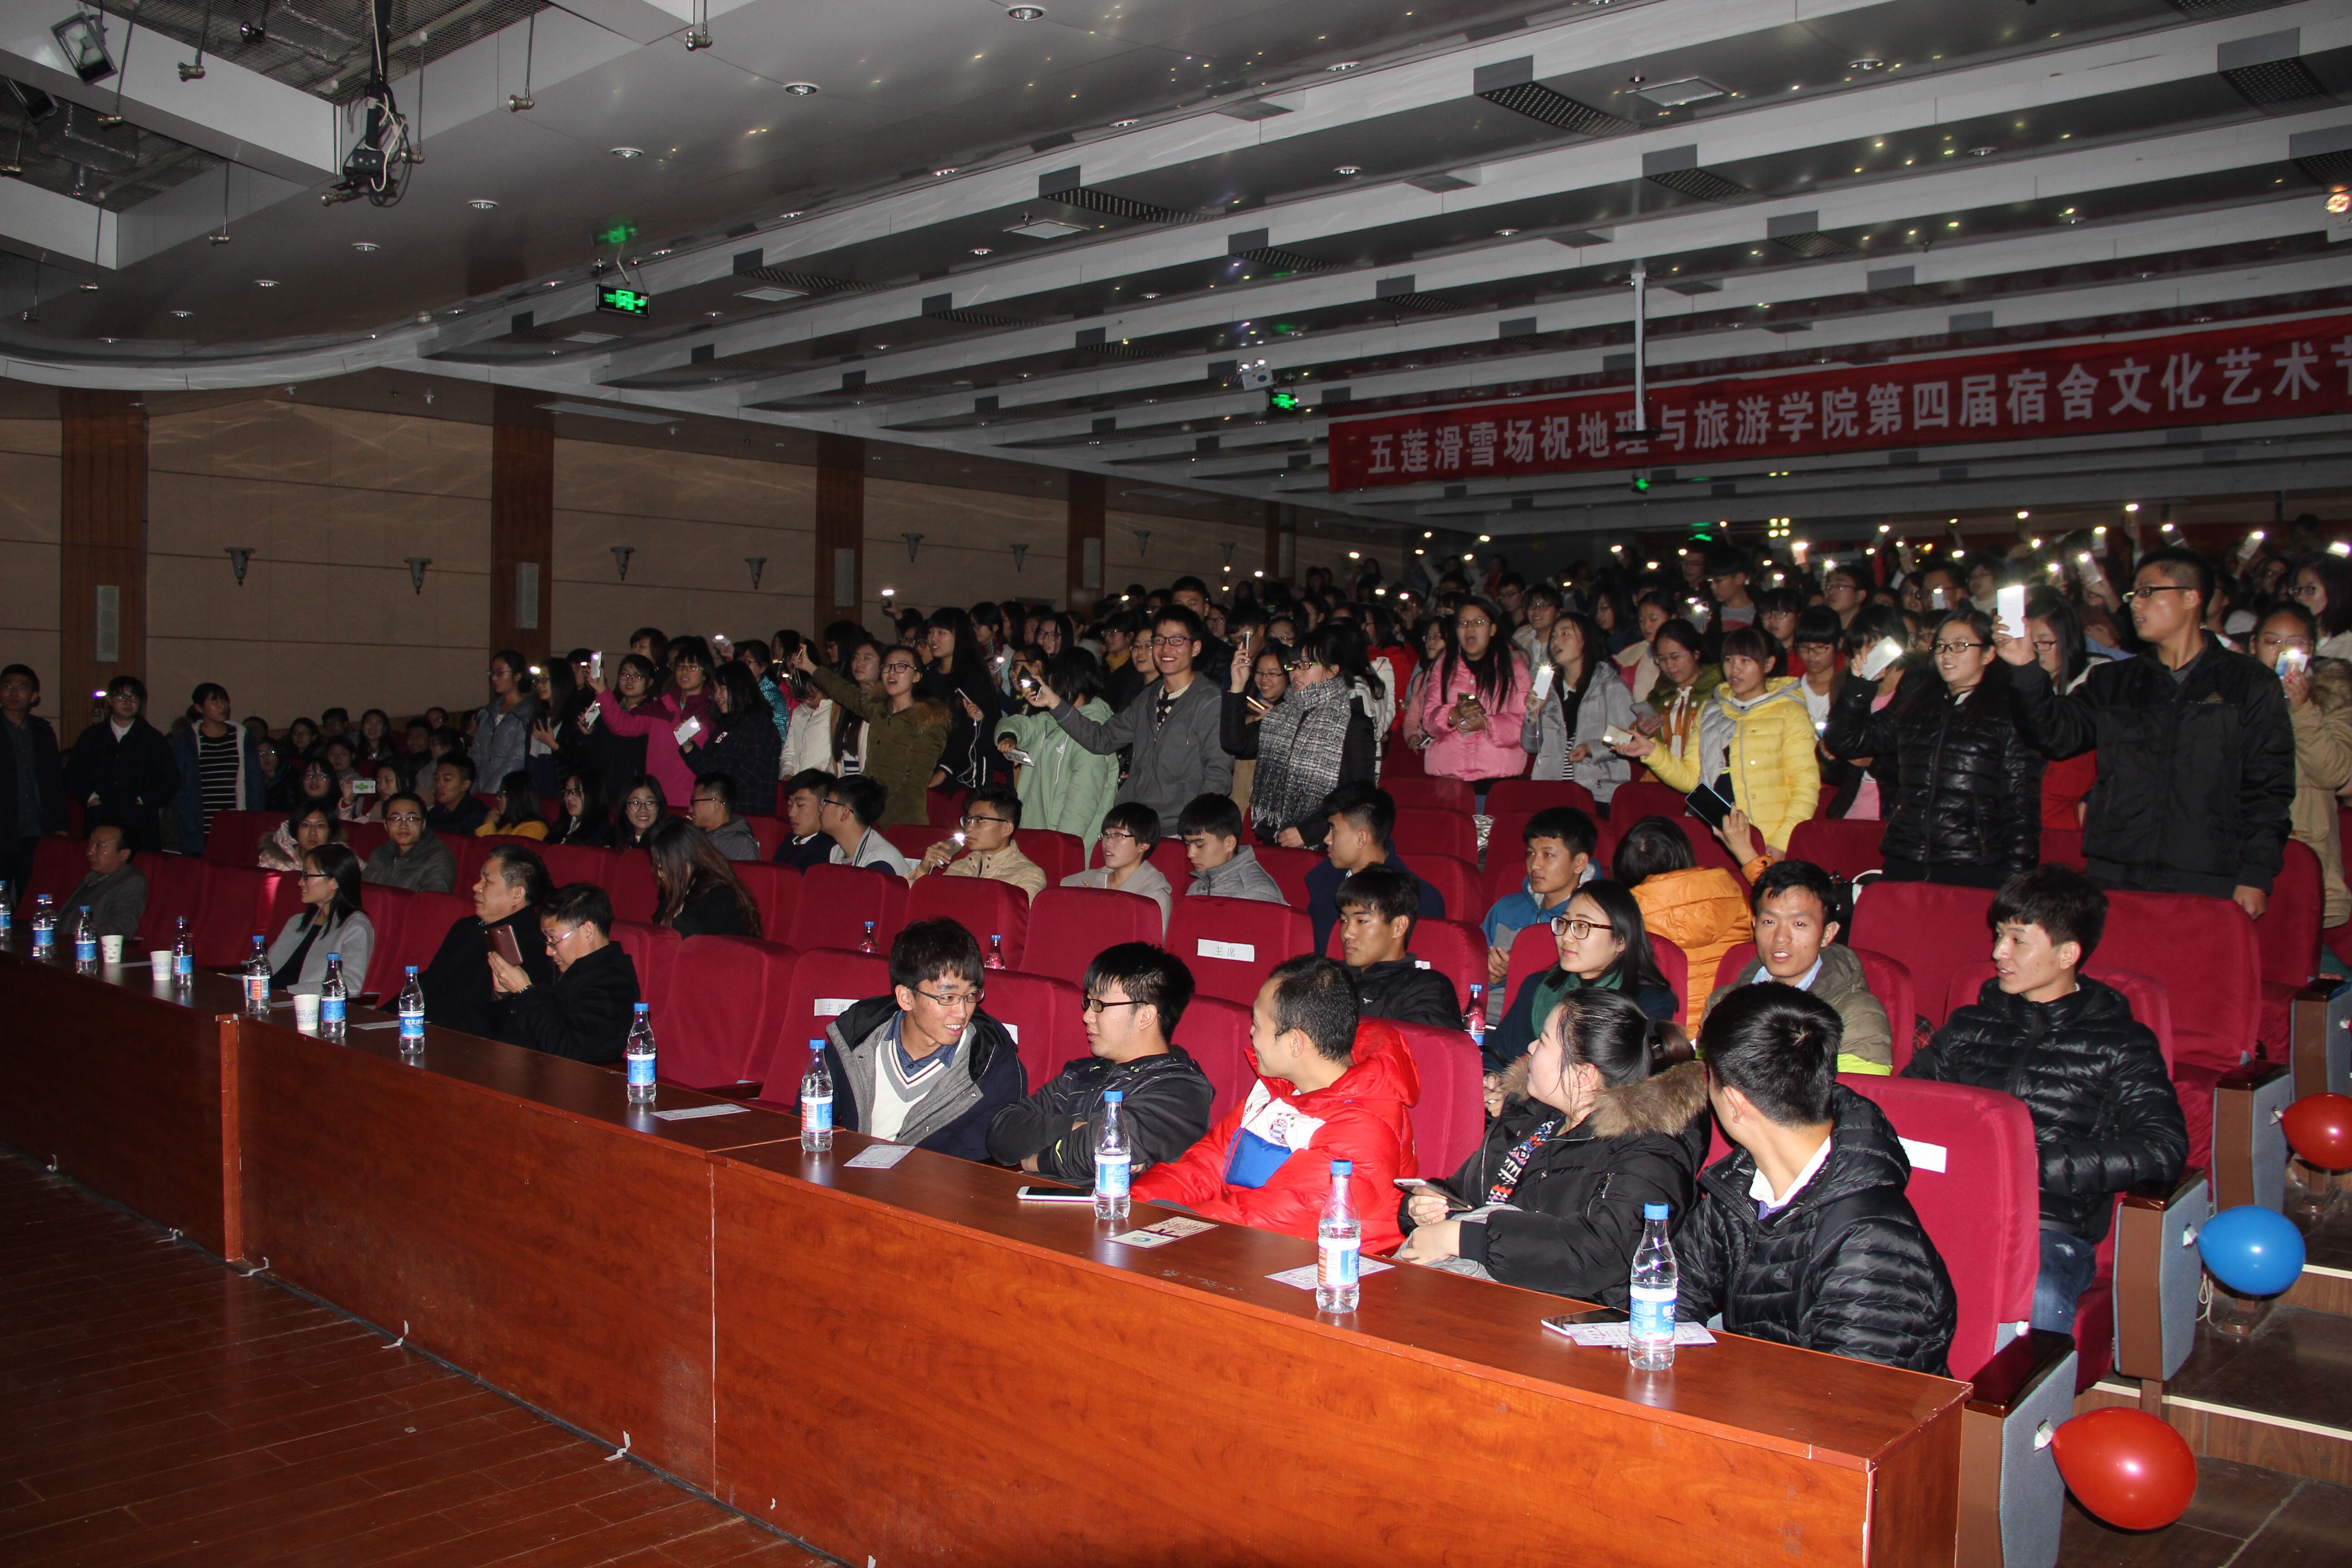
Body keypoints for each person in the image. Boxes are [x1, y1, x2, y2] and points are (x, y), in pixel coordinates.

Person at [1905, 866, 2187, 1332]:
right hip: (1951, 1211)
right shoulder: (1969, 1027)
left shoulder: (2122, 1042)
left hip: (2047, 1228)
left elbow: (2162, 1149)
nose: (1998, 952)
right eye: (1999, 936)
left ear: (2067, 954)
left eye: (2018, 940)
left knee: (2037, 1295)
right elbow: (1908, 1110)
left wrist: (2033, 1165)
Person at [1997, 546, 2294, 918]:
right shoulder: (2114, 680)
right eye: (2133, 594)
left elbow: (2268, 785)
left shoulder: (2247, 682)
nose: (2135, 603)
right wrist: (2026, 668)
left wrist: (2256, 874)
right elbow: (2055, 735)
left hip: (2208, 872)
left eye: (2148, 592)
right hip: (2117, 869)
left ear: (2191, 598)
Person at [1672, 985, 1957, 1374]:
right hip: (1757, 1391)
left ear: (1736, 1104)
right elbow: (1670, 1300)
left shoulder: (1871, 1246)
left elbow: (1847, 1399)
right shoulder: (1742, 1184)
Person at [1395, 990, 1707, 1295]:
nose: (1530, 1048)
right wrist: (1427, 1206)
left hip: (1570, 1311)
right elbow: (1465, 1196)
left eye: (1543, 1041)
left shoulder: (1652, 1153)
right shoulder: (1535, 1118)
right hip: (1488, 1291)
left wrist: (1464, 1239)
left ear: (1583, 1075)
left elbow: (1601, 1254)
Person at [1132, 956, 1421, 1252]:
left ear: (1295, 1043)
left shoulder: (1364, 1129)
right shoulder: (1279, 1087)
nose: (1251, 1033)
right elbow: (1202, 1168)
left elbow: (1269, 1219)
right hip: (1234, 1246)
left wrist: (1169, 1226)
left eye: (1258, 1024)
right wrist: (1132, 1206)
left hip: (1317, 1265)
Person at [1826, 608, 2041, 887]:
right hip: (1906, 856)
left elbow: (2021, 808)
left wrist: (2015, 881)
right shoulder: (1917, 706)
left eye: (1960, 646)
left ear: (1988, 654)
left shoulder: (2007, 713)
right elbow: (1846, 740)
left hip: (1971, 863)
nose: (1947, 655)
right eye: (1940, 646)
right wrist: (1860, 685)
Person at [986, 941, 1215, 1181]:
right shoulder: (1081, 1073)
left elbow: (1108, 1143)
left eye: (1099, 1005)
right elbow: (1001, 1132)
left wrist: (1033, 1162)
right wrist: (1077, 1127)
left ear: (1145, 1017)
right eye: (1088, 1003)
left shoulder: (1182, 1089)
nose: (1087, 1016)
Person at [814, 918, 1028, 1160]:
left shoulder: (994, 1071)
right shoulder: (855, 1040)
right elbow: (806, 1126)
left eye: (970, 996)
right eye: (947, 998)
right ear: (906, 998)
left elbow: (970, 1170)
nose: (962, 1012)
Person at [1614, 626, 1819, 853]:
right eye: (1729, 660)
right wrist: (1651, 751)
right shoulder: (1711, 710)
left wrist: (1782, 841)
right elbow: (1691, 779)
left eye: (1745, 661)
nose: (1735, 669)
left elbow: (1805, 788)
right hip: (1712, 830)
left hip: (1765, 836)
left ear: (1768, 664)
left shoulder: (1790, 712)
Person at [1031, 608, 1233, 836]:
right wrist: (1056, 703)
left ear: (1195, 647)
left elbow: (1218, 774)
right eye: (1159, 640)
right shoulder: (1149, 697)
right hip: (1135, 823)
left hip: (1178, 829)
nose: (1166, 648)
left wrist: (1194, 828)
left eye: (1177, 641)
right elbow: (1102, 740)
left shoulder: (1209, 700)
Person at [1705, 859, 1892, 1075]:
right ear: (1754, 926)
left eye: (1799, 924)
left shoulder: (1858, 1015)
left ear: (1827, 934)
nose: (1781, 938)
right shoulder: (1722, 1003)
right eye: (1769, 922)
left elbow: (1856, 1094)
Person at [1489, 880, 1676, 1071]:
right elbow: (1496, 1056)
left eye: (1582, 926)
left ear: (1621, 941)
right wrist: (1492, 1078)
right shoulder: (1539, 987)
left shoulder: (1648, 1002)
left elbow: (1638, 1078)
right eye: (1564, 923)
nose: (1565, 937)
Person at [2253, 606, 2352, 961]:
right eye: (2272, 642)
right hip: (2240, 857)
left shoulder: (2333, 698)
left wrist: (2301, 710)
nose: (2282, 653)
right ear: (2254, 646)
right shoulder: (2232, 696)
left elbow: (2334, 773)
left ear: (2311, 649)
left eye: (2294, 644)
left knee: (2303, 965)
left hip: (2304, 856)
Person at [1224, 622, 1379, 848]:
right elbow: (1235, 744)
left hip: (1324, 843)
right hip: (1273, 834)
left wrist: (1308, 831)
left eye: (1305, 665)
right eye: (1293, 666)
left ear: (1332, 670)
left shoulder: (1353, 723)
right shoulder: (1282, 714)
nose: (1296, 672)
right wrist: (1237, 686)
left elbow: (1358, 794)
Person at [1612, 816, 1752, 1024]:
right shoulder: (1732, 891)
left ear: (1625, 865)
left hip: (1666, 1034)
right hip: (1733, 1027)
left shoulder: (1625, 914)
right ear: (1684, 852)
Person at [791, 641, 947, 827]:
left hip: (902, 821)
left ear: (916, 676)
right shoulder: (879, 710)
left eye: (901, 667)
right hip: (868, 812)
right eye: (887, 666)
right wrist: (810, 667)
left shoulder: (927, 722)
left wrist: (881, 820)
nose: (892, 672)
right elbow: (844, 692)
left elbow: (914, 784)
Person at [485, 883, 642, 1064]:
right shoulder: (560, 967)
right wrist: (503, 995)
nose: (549, 951)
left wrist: (524, 991)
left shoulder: (614, 983)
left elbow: (566, 1051)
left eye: (553, 938)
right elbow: (506, 1030)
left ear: (588, 931)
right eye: (546, 940)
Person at [422, 843, 556, 1038]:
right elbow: (431, 982)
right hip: (427, 1029)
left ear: (517, 894)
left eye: (487, 881)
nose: (476, 887)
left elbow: (494, 1017)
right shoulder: (466, 927)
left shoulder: (533, 943)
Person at [994, 650, 1120, 852]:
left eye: (1052, 676)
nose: (1049, 682)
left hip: (1060, 845)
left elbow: (1081, 805)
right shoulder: (1052, 719)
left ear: (1068, 679)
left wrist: (1059, 847)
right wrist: (1009, 737)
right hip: (1037, 835)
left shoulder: (1093, 731)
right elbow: (1017, 724)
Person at [1301, 782, 1444, 955]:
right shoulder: (1325, 883)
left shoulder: (1420, 898)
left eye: (1334, 830)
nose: (1327, 840)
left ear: (1361, 838)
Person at [1481, 806, 1597, 995]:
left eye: (1548, 855)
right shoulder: (1506, 909)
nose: (1535, 865)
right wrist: (1492, 978)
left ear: (1579, 863)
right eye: (1531, 853)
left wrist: (1519, 971)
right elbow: (1472, 970)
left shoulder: (1595, 921)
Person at [1521, 612, 1633, 805]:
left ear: (1586, 640)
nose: (1556, 642)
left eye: (1566, 634)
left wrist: (1591, 748)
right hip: (1552, 791)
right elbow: (1531, 746)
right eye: (1554, 636)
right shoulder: (1548, 690)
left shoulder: (1610, 686)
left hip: (1596, 793)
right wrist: (1534, 712)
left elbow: (1626, 737)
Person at [1416, 596, 1528, 787]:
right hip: (1448, 776)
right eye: (1463, 623)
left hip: (1498, 775)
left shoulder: (1513, 665)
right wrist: (1453, 714)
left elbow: (1524, 723)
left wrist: (1486, 724)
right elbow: (1428, 721)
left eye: (1479, 622)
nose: (1470, 629)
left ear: (1493, 629)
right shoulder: (1443, 665)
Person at [63, 676, 179, 858]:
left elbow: (171, 778)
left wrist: (145, 800)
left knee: (141, 864)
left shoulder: (153, 738)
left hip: (139, 818)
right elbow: (73, 774)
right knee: (99, 864)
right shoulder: (92, 736)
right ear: (111, 701)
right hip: (100, 815)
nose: (128, 703)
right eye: (121, 697)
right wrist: (91, 798)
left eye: (134, 698)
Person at [1333, 865, 1460, 1029]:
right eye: (1344, 921)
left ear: (1399, 927)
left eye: (1362, 921)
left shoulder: (1426, 989)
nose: (1347, 934)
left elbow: (1418, 1043)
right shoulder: (1329, 977)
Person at [265, 843, 374, 998]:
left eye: (307, 875)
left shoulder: (355, 927)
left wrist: (288, 993)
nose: (300, 882)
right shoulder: (296, 922)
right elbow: (266, 969)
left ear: (334, 882)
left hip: (302, 1004)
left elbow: (350, 985)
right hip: (267, 997)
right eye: (301, 874)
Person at [169, 682, 266, 854]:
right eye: (214, 701)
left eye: (224, 700)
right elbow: (176, 781)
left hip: (236, 820)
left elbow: (255, 782)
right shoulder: (187, 740)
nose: (222, 706)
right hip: (200, 824)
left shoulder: (242, 737)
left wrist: (255, 818)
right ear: (199, 708)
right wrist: (187, 811)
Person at [915, 782, 1046, 902]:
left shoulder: (1029, 875)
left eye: (978, 821)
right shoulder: (959, 866)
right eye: (968, 820)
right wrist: (923, 870)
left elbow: (1015, 918)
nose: (969, 828)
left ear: (1007, 829)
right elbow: (928, 907)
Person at [919, 607, 1004, 793]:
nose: (933, 639)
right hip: (929, 762)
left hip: (965, 772)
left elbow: (972, 731)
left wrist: (945, 769)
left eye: (942, 633)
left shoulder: (973, 678)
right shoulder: (927, 675)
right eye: (931, 632)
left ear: (960, 636)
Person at [1058, 801, 1175, 933]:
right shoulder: (1075, 884)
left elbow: (1146, 944)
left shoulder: (1154, 899)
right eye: (1106, 835)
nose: (1108, 843)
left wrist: (1096, 907)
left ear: (1144, 844)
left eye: (1119, 835)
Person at [645, 816, 761, 937]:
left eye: (663, 867)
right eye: (657, 865)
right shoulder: (676, 889)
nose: (660, 874)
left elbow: (719, 945)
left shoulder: (719, 897)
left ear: (685, 860)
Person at [1176, 792, 1284, 904]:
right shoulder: (1199, 885)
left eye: (1200, 845)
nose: (1190, 854)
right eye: (1188, 845)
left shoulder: (1256, 894)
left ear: (1230, 843)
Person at [60, 821, 146, 938]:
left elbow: (123, 926)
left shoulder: (132, 881)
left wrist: (85, 936)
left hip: (90, 945)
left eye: (99, 846)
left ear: (124, 854)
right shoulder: (92, 876)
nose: (90, 852)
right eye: (90, 844)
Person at [470, 649, 539, 794]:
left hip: (510, 791)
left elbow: (516, 761)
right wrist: (473, 788)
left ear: (517, 676)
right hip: (481, 788)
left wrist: (490, 793)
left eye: (500, 673)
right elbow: (477, 755)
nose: (494, 678)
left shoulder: (526, 714)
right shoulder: (489, 712)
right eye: (492, 673)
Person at [818, 775, 913, 878]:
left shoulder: (880, 864)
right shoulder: (836, 852)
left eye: (826, 802)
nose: (820, 808)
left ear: (845, 813)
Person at [361, 792, 456, 892]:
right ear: (385, 825)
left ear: (423, 824)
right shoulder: (380, 853)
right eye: (396, 819)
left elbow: (432, 900)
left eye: (411, 819)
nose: (403, 826)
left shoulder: (439, 858)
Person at [2291, 551, 2352, 660]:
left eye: (2309, 589)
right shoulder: (2292, 636)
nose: (2300, 597)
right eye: (2297, 590)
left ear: (2334, 590)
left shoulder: (2348, 645)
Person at [688, 771, 760, 862]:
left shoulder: (742, 846)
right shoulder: (692, 836)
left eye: (694, 802)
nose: (690, 810)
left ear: (716, 804)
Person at [774, 769, 836, 870]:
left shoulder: (830, 851)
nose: (791, 813)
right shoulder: (788, 843)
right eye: (790, 805)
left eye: (800, 805)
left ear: (824, 806)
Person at [259, 802, 344, 873]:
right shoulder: (273, 858)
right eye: (306, 825)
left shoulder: (341, 860)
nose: (313, 833)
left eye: (320, 826)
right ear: (296, 829)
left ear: (330, 831)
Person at [425, 755, 488, 837]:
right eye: (436, 778)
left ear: (465, 785)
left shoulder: (477, 817)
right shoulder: (435, 813)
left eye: (447, 780)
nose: (438, 785)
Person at [548, 767, 612, 848]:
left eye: (577, 791)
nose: (569, 798)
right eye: (567, 791)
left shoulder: (600, 832)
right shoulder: (562, 824)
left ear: (593, 795)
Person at [478, 771, 549, 840]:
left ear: (515, 796)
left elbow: (494, 847)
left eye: (502, 793)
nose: (498, 798)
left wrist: (488, 824)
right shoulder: (508, 826)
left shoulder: (535, 828)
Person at [1703, 544, 1757, 632]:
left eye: (1718, 581)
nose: (1713, 587)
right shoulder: (1709, 613)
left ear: (1739, 578)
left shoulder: (1764, 613)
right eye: (1710, 581)